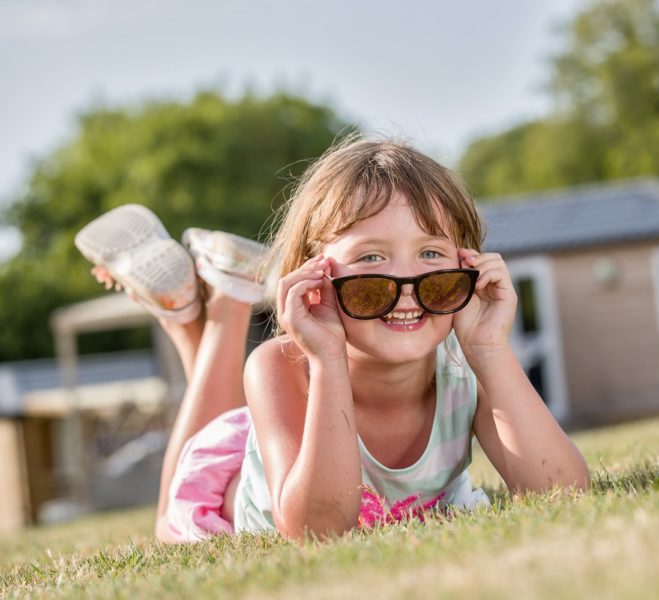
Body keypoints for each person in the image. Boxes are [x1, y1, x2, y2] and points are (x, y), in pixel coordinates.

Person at [75, 138, 589, 544]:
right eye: (370, 259)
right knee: (176, 510)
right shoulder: (284, 365)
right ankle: (223, 310)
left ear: (469, 266)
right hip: (247, 483)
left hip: (289, 425)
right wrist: (326, 363)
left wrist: (490, 351)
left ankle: (210, 297)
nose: (405, 286)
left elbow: (561, 491)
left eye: (431, 255)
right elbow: (319, 530)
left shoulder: (470, 364)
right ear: (314, 277)